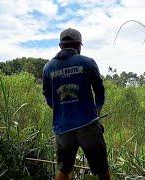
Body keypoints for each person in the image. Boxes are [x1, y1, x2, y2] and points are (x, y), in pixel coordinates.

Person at [42, 28, 110, 180]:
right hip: (88, 126)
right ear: (79, 45)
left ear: (60, 46)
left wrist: (60, 110)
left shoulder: (47, 68)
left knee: (63, 169)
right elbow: (100, 91)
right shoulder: (88, 63)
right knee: (102, 170)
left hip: (62, 128)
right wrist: (96, 111)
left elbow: (47, 96)